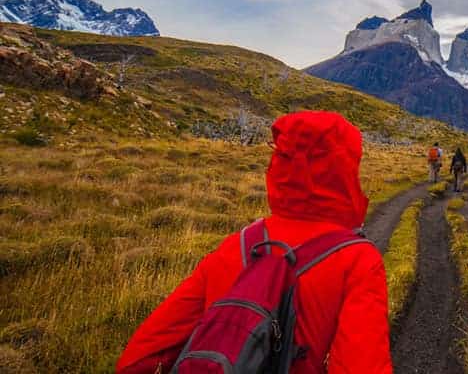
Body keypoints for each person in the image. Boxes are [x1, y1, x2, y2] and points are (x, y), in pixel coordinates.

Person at [117, 111, 392, 374]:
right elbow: (361, 366)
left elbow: (139, 358)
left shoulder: (235, 245)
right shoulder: (358, 261)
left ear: (280, 165)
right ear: (342, 171)